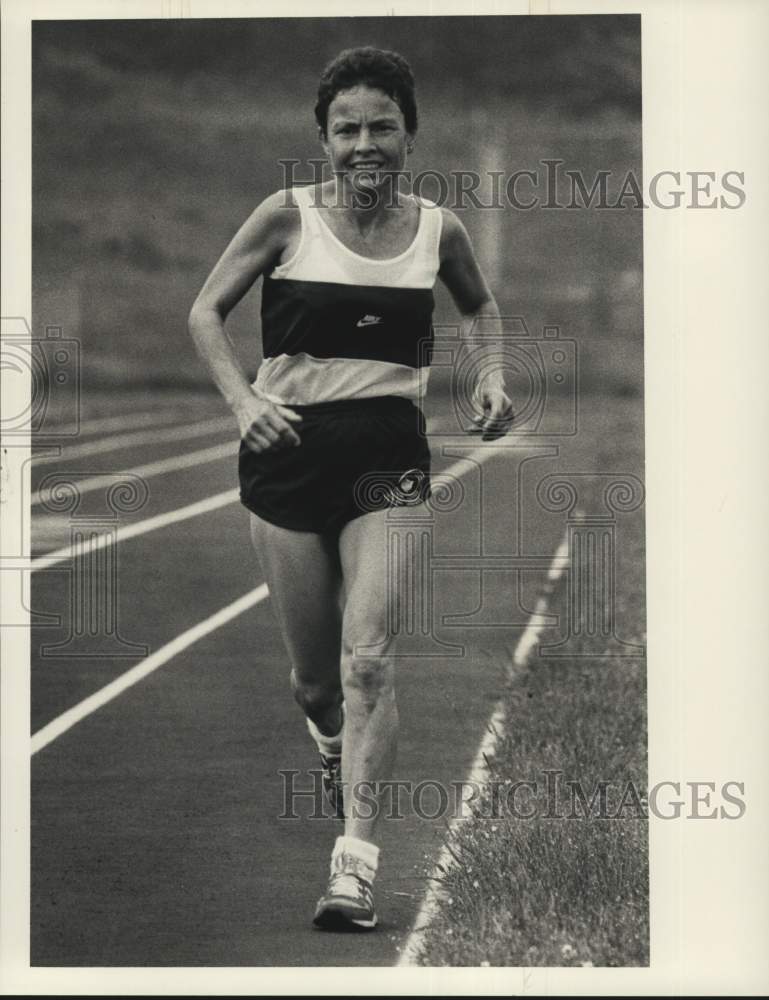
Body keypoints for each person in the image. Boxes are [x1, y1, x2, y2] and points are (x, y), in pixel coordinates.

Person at [188, 46, 514, 932]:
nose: (364, 143)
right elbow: (205, 311)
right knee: (315, 683)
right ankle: (331, 741)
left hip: (386, 457)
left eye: (380, 127)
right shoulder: (284, 218)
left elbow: (479, 306)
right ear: (324, 140)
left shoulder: (438, 231)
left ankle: (354, 868)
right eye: (346, 129)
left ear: (408, 135)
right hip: (289, 453)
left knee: (367, 658)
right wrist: (243, 401)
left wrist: (489, 375)